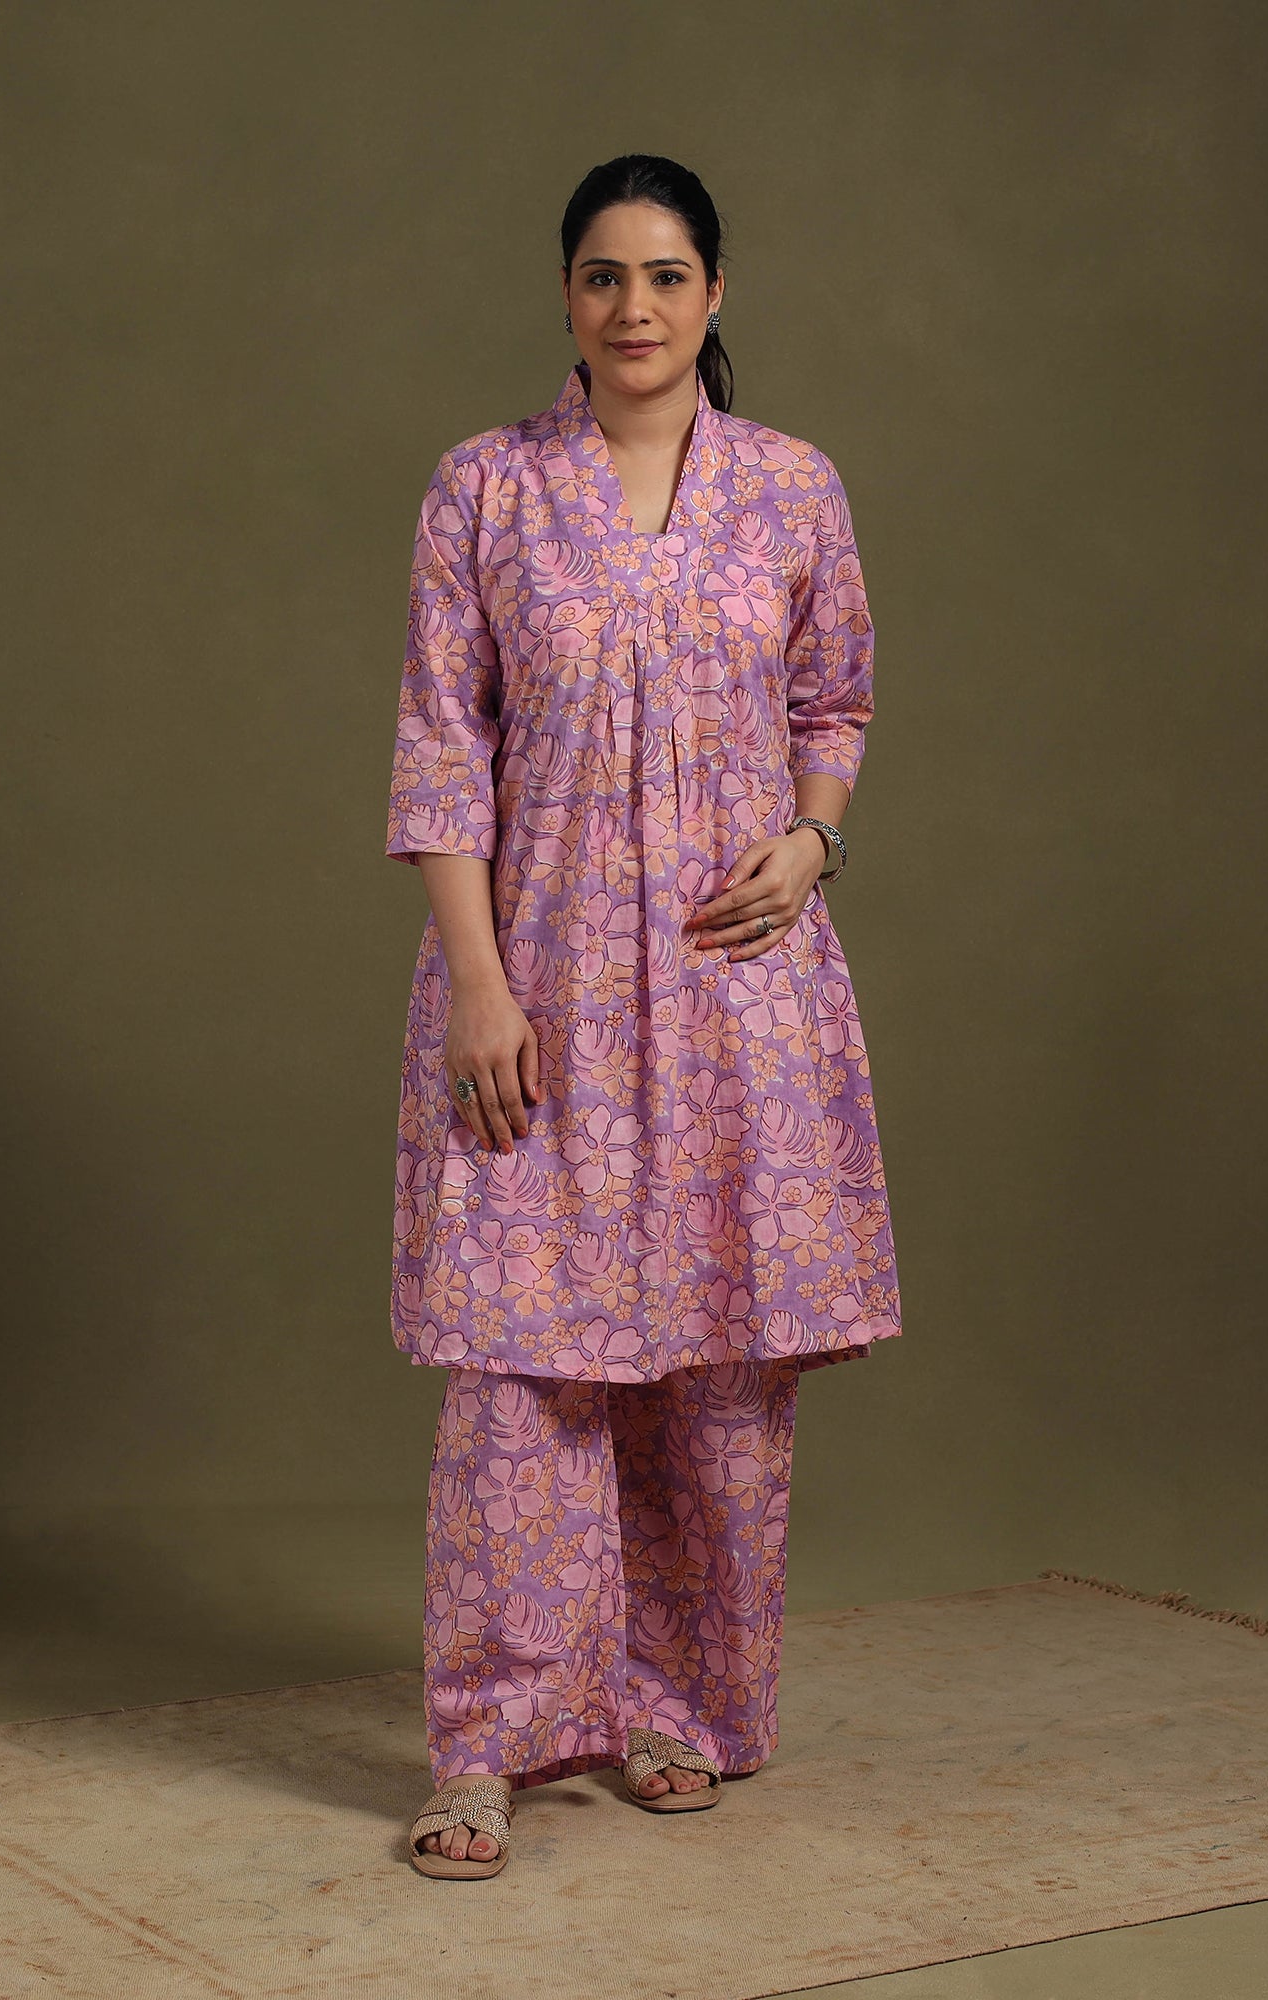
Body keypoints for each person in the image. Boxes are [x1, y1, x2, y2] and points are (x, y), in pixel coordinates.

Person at [382, 153, 901, 1879]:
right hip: (537, 989)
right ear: (567, 296)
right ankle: (488, 1742)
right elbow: (442, 746)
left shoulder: (791, 487)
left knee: (716, 1366)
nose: (635, 307)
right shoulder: (485, 488)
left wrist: (813, 842)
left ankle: (679, 1704)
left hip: (737, 994)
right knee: (516, 1385)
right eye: (604, 276)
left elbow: (836, 692)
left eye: (668, 275)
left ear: (715, 294)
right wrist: (477, 984)